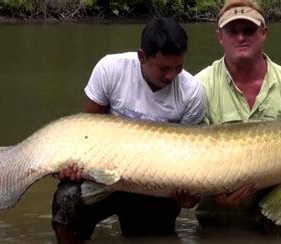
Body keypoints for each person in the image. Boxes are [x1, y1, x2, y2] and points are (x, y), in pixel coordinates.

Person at [52, 17, 206, 243]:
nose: (172, 75)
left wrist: (188, 195)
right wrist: (73, 165)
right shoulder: (111, 69)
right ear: (142, 57)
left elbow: (187, 159)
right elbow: (86, 130)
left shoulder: (192, 93)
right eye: (164, 68)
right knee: (67, 199)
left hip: (154, 185)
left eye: (178, 67)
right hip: (104, 172)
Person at [194, 0, 281, 234]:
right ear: (220, 37)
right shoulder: (198, 87)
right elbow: (190, 159)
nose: (241, 37)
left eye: (249, 30)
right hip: (221, 210)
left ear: (263, 33)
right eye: (233, 31)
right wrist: (215, 192)